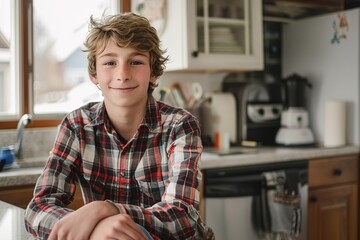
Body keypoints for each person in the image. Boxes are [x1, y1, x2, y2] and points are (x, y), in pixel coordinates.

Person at [24, 12, 214, 240]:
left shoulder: (181, 126)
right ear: (94, 74)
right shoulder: (76, 125)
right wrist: (97, 229)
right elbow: (38, 209)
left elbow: (182, 217)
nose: (122, 74)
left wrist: (105, 209)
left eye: (135, 62)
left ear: (153, 73)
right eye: (110, 62)